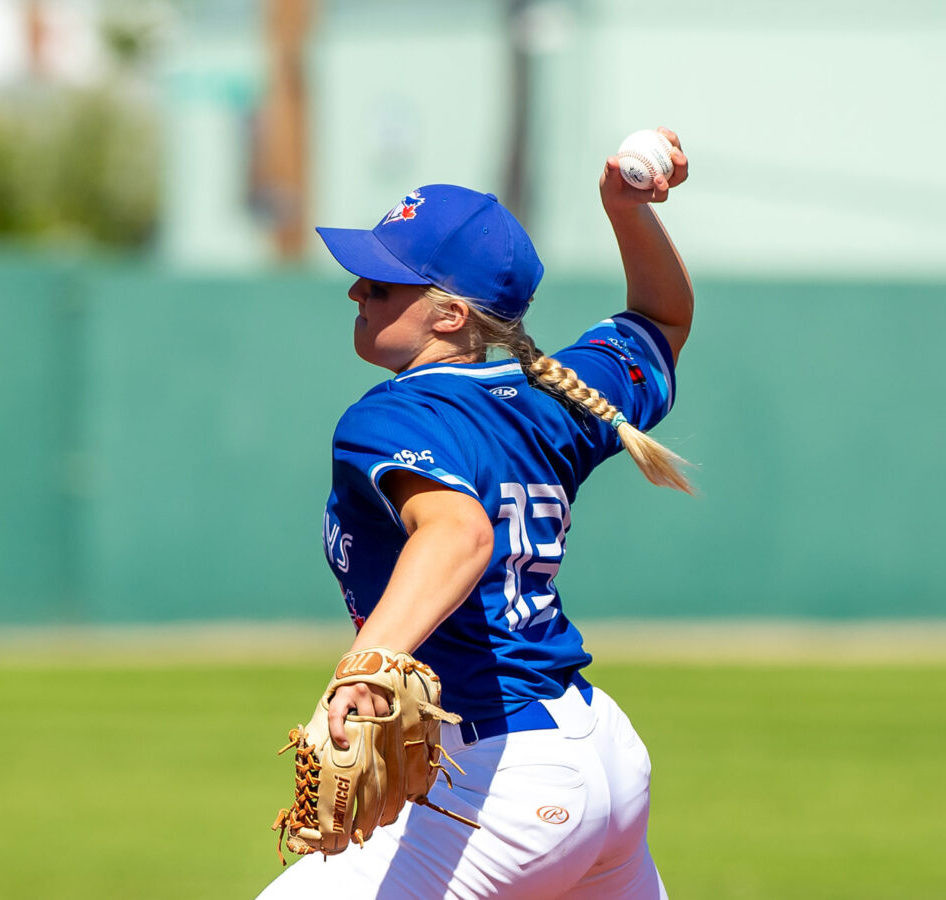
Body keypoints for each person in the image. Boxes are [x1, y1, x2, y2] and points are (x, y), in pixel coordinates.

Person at [258, 127, 693, 899]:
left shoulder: (390, 417)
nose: (358, 291)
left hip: (509, 783)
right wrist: (626, 211)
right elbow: (662, 320)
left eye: (383, 285)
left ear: (451, 315)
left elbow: (459, 531)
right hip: (602, 757)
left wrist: (363, 671)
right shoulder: (556, 393)